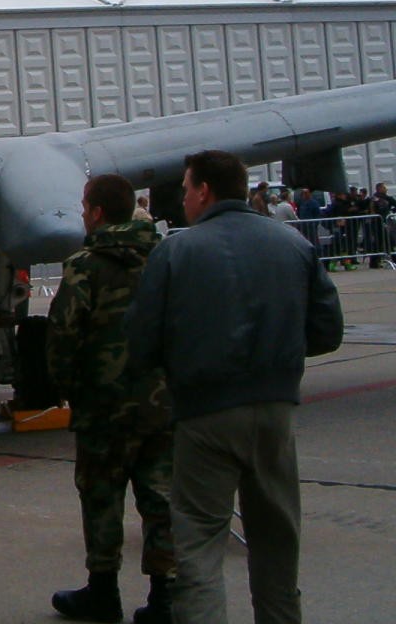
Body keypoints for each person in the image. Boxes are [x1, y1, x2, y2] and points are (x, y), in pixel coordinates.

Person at [128, 150, 343, 624]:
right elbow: (328, 331)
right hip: (274, 410)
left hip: (204, 414)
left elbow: (140, 342)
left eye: (185, 189)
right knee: (276, 544)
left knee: (199, 547)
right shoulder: (292, 245)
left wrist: (183, 361)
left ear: (203, 191)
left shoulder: (176, 251)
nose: (182, 200)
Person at [46, 174, 174, 623]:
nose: (82, 213)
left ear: (97, 212)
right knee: (160, 498)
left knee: (102, 497)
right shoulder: (165, 258)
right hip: (162, 404)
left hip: (104, 407)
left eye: (84, 206)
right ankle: (165, 598)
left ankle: (103, 592)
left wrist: (69, 389)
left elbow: (63, 333)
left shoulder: (85, 263)